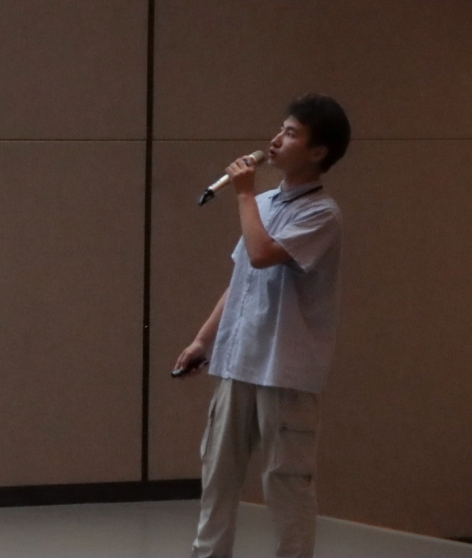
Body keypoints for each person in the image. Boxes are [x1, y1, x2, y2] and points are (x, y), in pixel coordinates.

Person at [174, 93, 352, 558]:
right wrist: (203, 340)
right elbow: (240, 280)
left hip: (285, 370)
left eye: (291, 134)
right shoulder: (265, 202)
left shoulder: (321, 213)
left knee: (286, 483)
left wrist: (244, 193)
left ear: (318, 151)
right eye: (280, 130)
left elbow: (261, 255)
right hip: (238, 361)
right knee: (218, 475)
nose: (275, 141)